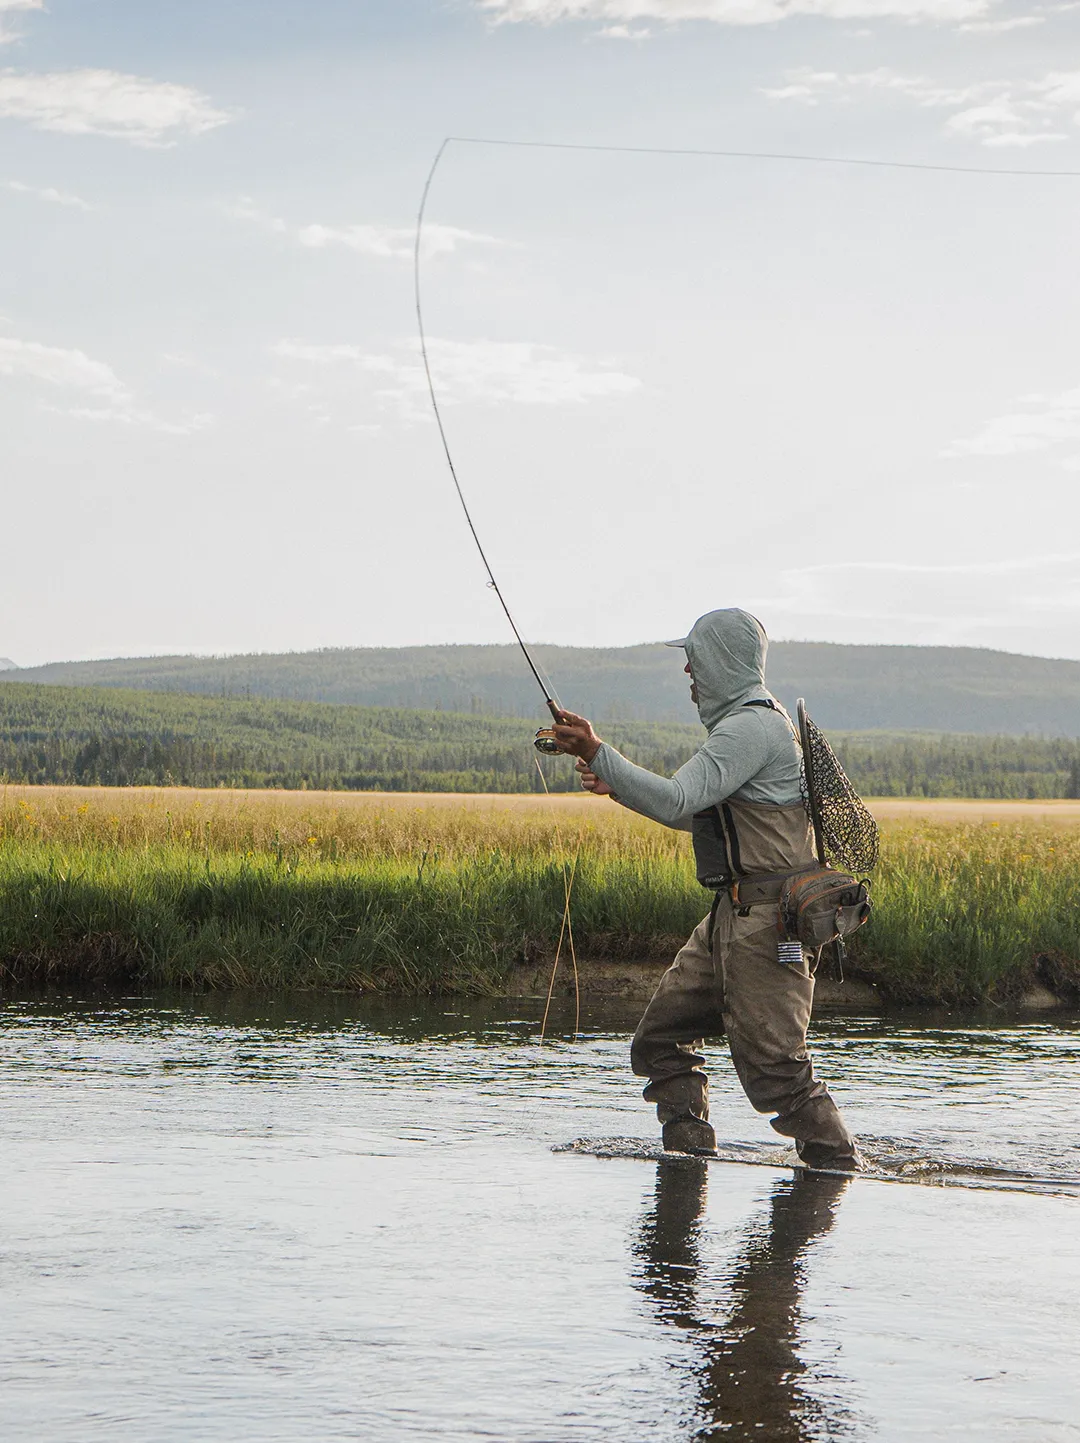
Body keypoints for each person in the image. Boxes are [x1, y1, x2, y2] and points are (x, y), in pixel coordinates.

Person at [551, 607, 860, 1171]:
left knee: (778, 1073)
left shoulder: (752, 728)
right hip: (732, 918)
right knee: (659, 1042)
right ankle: (688, 1161)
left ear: (722, 661)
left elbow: (674, 799)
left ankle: (836, 1168)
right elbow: (696, 814)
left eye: (694, 659)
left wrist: (598, 753)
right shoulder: (749, 726)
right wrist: (616, 784)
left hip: (770, 929)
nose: (688, 671)